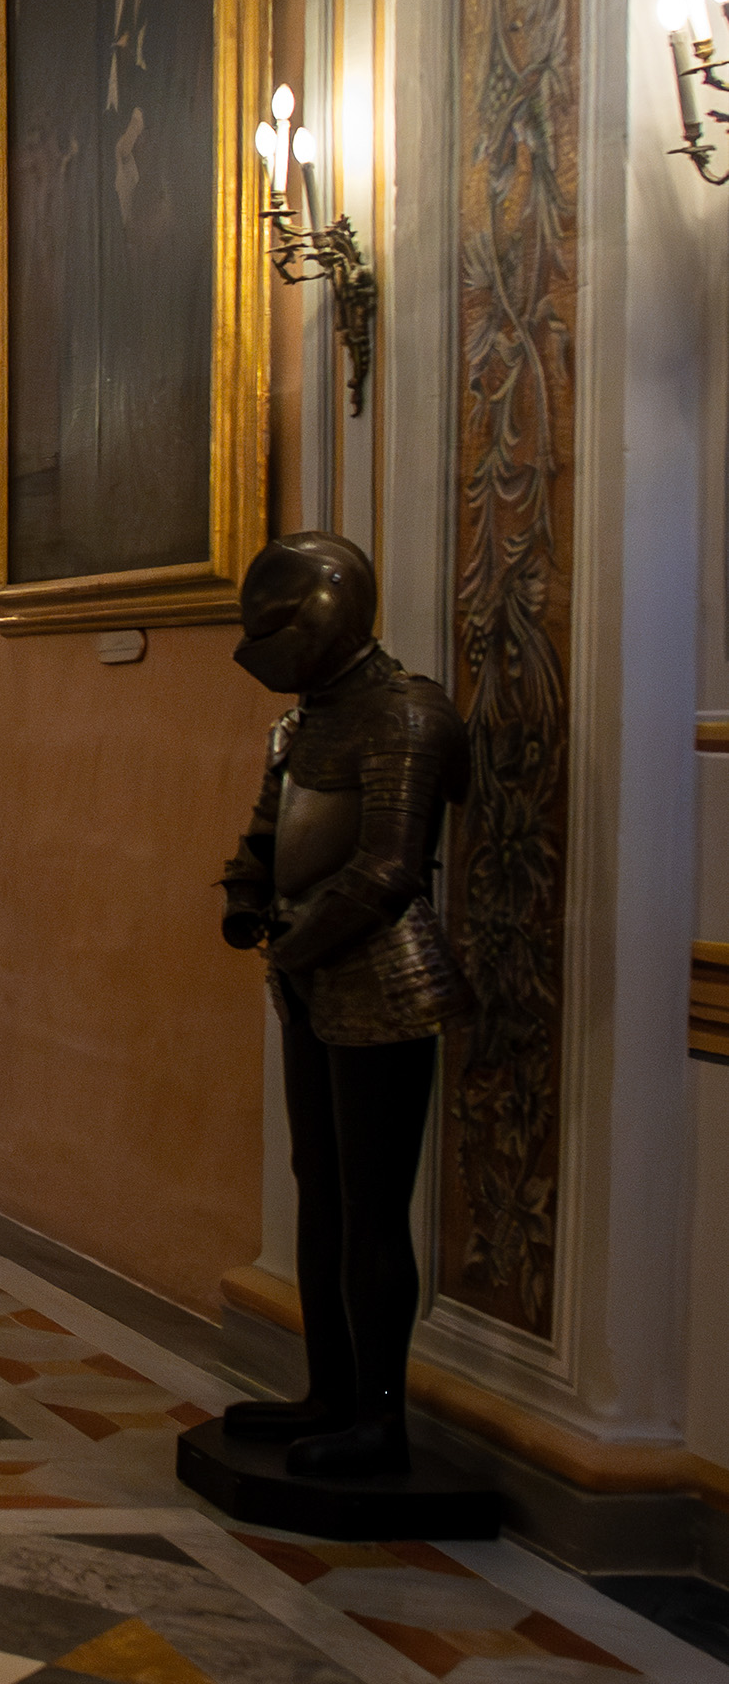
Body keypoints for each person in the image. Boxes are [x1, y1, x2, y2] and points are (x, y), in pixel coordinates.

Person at [214, 531, 471, 1482]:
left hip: (383, 975)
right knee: (317, 1189)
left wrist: (301, 944)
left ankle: (380, 1418)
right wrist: (246, 899)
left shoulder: (407, 715)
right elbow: (266, 832)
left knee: (373, 1204)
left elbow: (391, 868)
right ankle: (327, 1390)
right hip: (306, 974)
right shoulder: (303, 724)